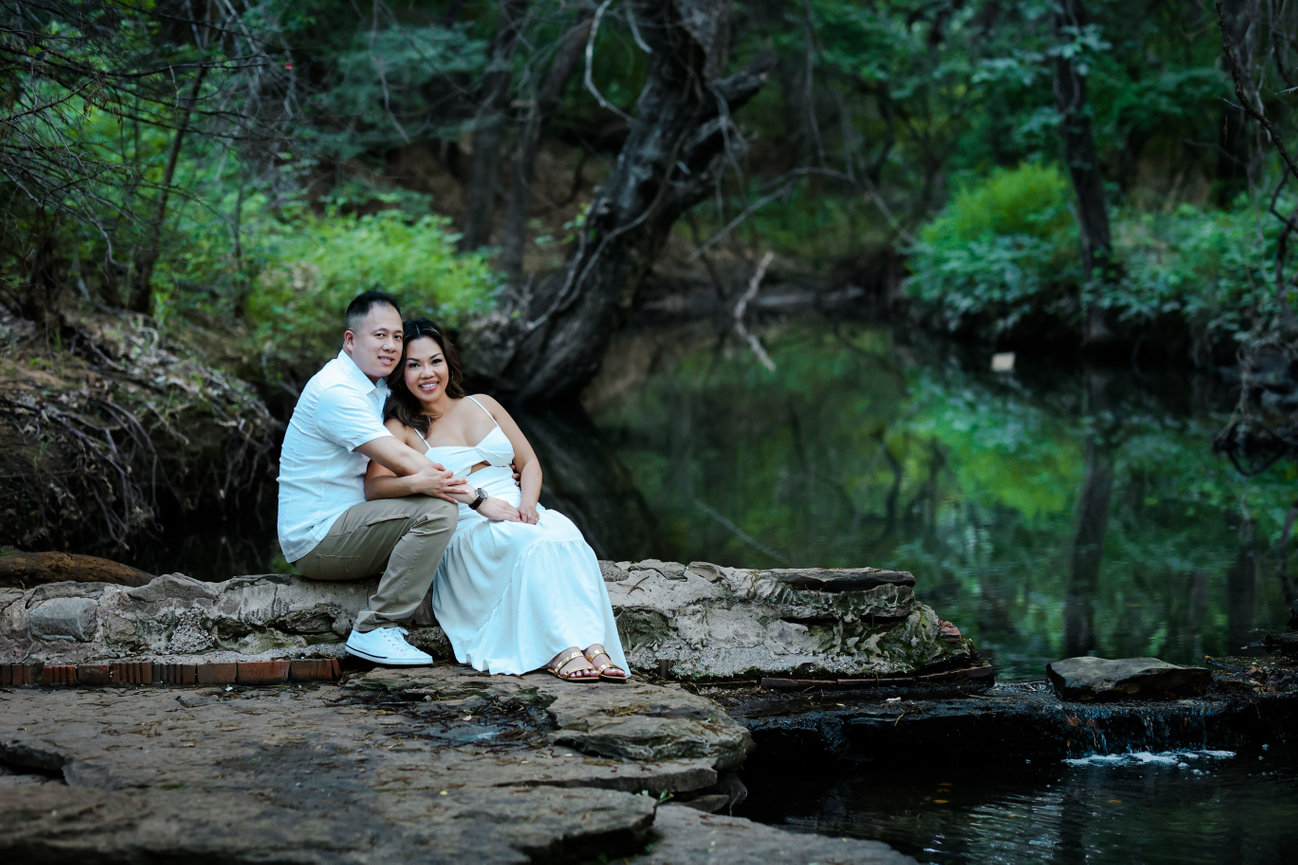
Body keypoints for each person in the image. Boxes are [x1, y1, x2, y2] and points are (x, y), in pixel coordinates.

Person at [364, 318, 629, 682]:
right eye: (413, 365)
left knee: (564, 534)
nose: (428, 373)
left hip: (519, 508)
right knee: (526, 542)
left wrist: (530, 505)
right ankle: (559, 648)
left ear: (448, 363)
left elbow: (530, 462)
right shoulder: (402, 429)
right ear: (400, 374)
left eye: (435, 360)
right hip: (466, 524)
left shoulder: (484, 403)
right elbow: (374, 487)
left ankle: (590, 643)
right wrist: (419, 482)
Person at [277, 291, 467, 666]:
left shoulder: (376, 387)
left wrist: (481, 466)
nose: (391, 346)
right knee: (437, 513)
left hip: (354, 519)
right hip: (318, 536)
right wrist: (478, 495)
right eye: (380, 335)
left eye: (397, 336)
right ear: (351, 340)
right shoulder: (336, 391)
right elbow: (400, 458)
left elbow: (421, 441)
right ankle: (375, 629)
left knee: (440, 507)